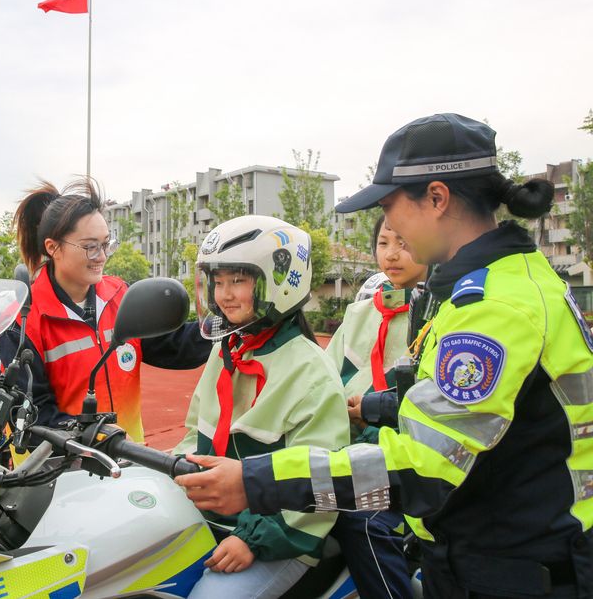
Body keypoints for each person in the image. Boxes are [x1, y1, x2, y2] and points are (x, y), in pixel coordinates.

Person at [175, 113, 593, 598]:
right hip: (502, 545)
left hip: (515, 567)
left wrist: (256, 481)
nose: (388, 228)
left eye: (390, 207)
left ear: (436, 198)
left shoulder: (493, 308)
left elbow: (423, 467)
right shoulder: (497, 284)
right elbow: (487, 412)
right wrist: (376, 405)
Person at [175, 216, 350, 598]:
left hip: (280, 534)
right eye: (218, 282)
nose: (224, 294)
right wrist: (171, 471)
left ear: (280, 282)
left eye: (238, 280)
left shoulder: (311, 373)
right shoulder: (227, 351)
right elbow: (194, 433)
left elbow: (320, 483)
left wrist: (253, 540)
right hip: (213, 514)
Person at [0, 177, 212, 443]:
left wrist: (226, 325)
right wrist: (100, 437)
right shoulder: (23, 319)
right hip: (55, 466)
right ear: (53, 248)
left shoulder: (119, 295)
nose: (102, 256)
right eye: (90, 247)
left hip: (125, 461)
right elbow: (31, 414)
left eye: (106, 243)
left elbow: (172, 346)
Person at [326, 216, 429, 599]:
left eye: (403, 243)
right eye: (384, 243)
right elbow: (325, 377)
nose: (391, 254)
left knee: (364, 523)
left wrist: (367, 414)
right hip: (344, 449)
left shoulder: (441, 313)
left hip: (405, 464)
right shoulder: (360, 314)